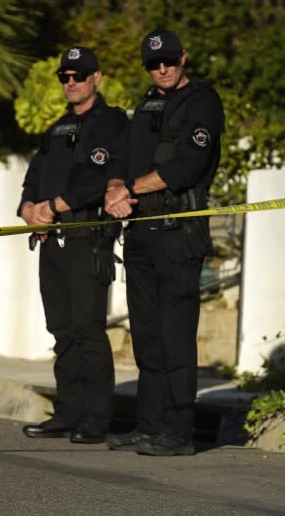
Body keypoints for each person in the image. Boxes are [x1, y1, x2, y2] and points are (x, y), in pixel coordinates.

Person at [104, 29, 224, 456]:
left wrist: (129, 189)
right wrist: (115, 187)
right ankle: (149, 426)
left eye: (170, 61)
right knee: (147, 338)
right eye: (155, 64)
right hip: (140, 233)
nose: (163, 68)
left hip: (178, 233)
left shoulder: (202, 102)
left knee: (175, 337)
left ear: (183, 58)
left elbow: (186, 167)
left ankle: (179, 432)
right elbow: (121, 157)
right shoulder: (148, 102)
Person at [19, 46, 128, 444]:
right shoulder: (57, 128)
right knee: (62, 331)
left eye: (78, 76)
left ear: (96, 78)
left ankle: (96, 419)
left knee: (88, 331)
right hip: (52, 242)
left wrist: (53, 206)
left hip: (86, 238)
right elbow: (34, 175)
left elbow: (97, 178)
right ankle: (67, 413)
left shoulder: (111, 123)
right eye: (65, 77)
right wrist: (30, 208)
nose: (70, 83)